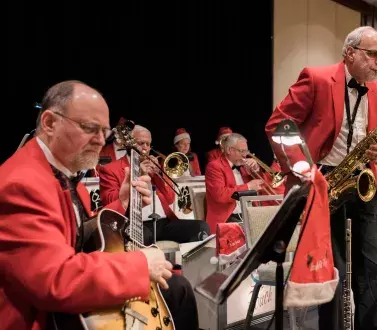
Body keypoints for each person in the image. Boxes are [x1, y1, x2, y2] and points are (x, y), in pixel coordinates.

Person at [0, 80, 197, 330]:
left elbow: (82, 232)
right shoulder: (21, 183)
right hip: (40, 318)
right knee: (178, 290)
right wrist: (140, 263)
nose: (100, 140)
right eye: (90, 128)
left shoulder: (64, 169)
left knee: (178, 289)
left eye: (104, 131)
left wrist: (123, 200)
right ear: (50, 123)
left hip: (62, 303)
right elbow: (55, 280)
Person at [265, 26, 377, 330]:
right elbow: (278, 126)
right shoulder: (317, 77)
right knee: (334, 273)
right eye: (371, 54)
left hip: (362, 180)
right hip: (322, 179)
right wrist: (305, 172)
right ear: (349, 53)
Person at [99, 125, 204, 246]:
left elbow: (170, 199)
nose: (145, 148)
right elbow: (110, 203)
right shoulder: (110, 169)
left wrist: (158, 174)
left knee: (200, 227)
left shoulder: (154, 165)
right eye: (141, 143)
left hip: (163, 222)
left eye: (148, 144)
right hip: (137, 223)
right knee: (145, 236)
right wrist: (137, 173)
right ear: (129, 144)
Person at [205, 133, 263, 234]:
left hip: (248, 215)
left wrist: (256, 169)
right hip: (227, 219)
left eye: (246, 151)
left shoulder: (243, 166)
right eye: (242, 151)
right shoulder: (214, 166)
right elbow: (220, 195)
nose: (245, 155)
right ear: (229, 150)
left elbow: (263, 187)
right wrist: (248, 186)